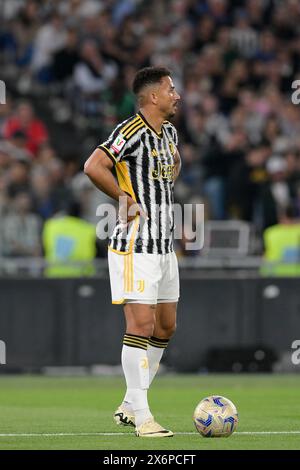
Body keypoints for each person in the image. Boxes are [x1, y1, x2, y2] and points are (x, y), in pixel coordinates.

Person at [84, 66, 181, 437]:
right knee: (140, 325)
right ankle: (143, 417)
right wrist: (123, 196)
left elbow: (171, 168)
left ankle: (129, 402)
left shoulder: (170, 132)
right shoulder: (130, 131)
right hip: (135, 242)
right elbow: (93, 165)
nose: (177, 95)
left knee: (166, 326)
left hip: (164, 244)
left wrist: (172, 167)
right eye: (171, 89)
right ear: (153, 96)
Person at [261, 204, 300, 276]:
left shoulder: (270, 232)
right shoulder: (298, 231)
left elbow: (264, 256)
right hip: (296, 275)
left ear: (279, 216)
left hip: (273, 274)